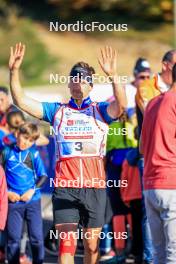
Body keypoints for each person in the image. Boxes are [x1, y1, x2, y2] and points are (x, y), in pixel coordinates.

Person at [9, 42, 126, 264]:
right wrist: (14, 72)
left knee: (92, 247)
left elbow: (121, 106)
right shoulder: (57, 111)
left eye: (82, 79)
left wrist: (113, 76)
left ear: (91, 86)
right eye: (73, 78)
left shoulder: (100, 110)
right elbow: (21, 101)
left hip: (95, 188)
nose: (77, 82)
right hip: (66, 189)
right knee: (67, 247)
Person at [140, 63, 176, 264]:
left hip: (151, 185)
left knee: (159, 254)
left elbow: (142, 148)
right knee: (173, 254)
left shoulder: (152, 103)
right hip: (171, 184)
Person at [0, 122, 48, 264]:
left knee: (36, 239)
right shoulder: (6, 152)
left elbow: (43, 176)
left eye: (31, 140)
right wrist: (7, 193)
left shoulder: (33, 153)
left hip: (32, 201)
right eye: (24, 137)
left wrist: (32, 191)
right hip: (13, 203)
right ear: (17, 134)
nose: (26, 142)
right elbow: (0, 177)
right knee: (13, 240)